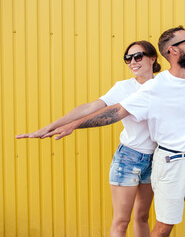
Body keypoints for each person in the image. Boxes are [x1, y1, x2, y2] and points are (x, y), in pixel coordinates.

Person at [21, 26, 185, 237]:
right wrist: (67, 125)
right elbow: (114, 111)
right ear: (173, 50)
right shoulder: (152, 88)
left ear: (152, 59)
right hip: (158, 159)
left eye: (138, 56)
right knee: (154, 225)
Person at [16, 41, 162, 237]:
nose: (132, 62)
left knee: (142, 217)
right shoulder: (124, 87)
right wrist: (50, 127)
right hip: (129, 158)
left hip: (155, 158)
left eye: (138, 56)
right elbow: (90, 108)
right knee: (121, 221)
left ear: (152, 58)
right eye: (128, 58)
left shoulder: (164, 85)